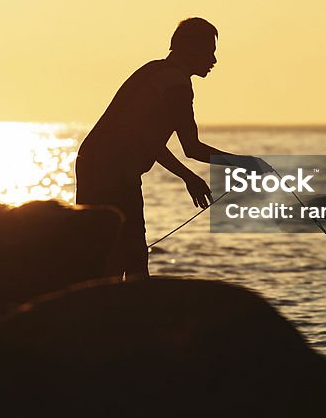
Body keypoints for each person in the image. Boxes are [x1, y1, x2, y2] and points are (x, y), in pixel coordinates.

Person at [75, 17, 266, 280]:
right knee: (131, 256)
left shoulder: (152, 71)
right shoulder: (176, 84)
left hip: (90, 161)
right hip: (114, 168)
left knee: (101, 250)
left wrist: (188, 177)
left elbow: (146, 141)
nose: (213, 60)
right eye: (209, 52)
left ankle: (99, 310)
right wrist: (246, 163)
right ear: (189, 49)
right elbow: (192, 147)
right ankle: (129, 312)